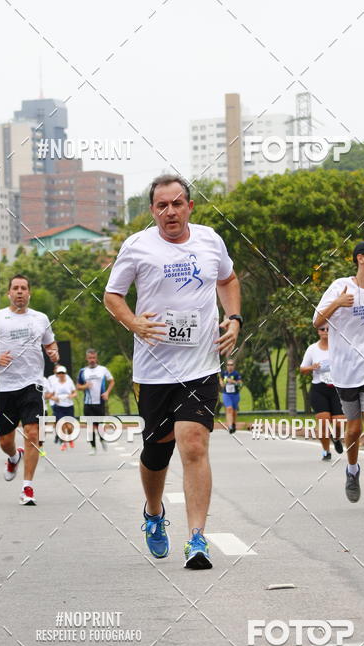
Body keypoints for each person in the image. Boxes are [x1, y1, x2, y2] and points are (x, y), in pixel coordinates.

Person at [104, 173, 241, 569]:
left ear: (190, 207)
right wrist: (134, 323)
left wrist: (234, 318)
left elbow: (228, 280)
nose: (170, 212)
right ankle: (152, 512)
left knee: (193, 443)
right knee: (157, 450)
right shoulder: (137, 246)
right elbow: (113, 295)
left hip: (200, 364)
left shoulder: (210, 240)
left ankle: (197, 538)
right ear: (152, 211)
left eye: (177, 203)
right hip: (153, 369)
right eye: (162, 206)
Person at [314, 241, 364, 508]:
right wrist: (337, 303)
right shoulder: (340, 286)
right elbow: (317, 321)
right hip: (346, 371)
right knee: (354, 429)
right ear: (361, 258)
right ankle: (352, 469)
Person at [0, 274, 59, 505]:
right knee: (5, 441)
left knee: (33, 433)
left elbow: (50, 343)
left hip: (32, 384)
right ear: (9, 293)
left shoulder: (41, 318)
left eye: (24, 288)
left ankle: (28, 488)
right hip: (4, 387)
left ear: (29, 293)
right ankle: (14, 457)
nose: (20, 292)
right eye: (15, 288)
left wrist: (53, 352)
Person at [300, 326, 345, 460]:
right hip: (319, 388)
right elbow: (302, 369)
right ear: (318, 332)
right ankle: (326, 451)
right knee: (324, 423)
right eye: (322, 329)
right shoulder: (312, 349)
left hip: (337, 388)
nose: (325, 331)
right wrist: (313, 367)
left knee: (339, 422)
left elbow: (348, 363)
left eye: (328, 329)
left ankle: (336, 438)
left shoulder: (338, 347)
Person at [76, 349, 114, 453]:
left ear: (96, 358)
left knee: (100, 425)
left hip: (100, 402)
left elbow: (111, 381)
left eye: (93, 358)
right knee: (90, 426)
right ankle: (93, 447)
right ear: (86, 359)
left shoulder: (103, 369)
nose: (92, 360)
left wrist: (107, 393)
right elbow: (78, 386)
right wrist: (85, 386)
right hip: (88, 403)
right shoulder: (83, 371)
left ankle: (102, 439)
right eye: (90, 358)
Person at [48, 365, 77, 450]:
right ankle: (64, 442)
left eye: (62, 373)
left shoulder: (69, 382)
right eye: (59, 373)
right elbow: (50, 395)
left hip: (69, 406)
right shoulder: (55, 383)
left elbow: (75, 393)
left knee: (69, 426)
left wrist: (71, 396)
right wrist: (54, 398)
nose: (61, 374)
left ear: (65, 373)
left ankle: (70, 438)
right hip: (59, 406)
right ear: (57, 374)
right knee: (62, 424)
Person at [218, 360, 243, 434]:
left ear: (234, 366)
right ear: (226, 366)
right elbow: (221, 383)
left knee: (234, 411)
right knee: (229, 409)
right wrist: (223, 382)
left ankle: (233, 424)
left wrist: (233, 381)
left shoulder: (236, 374)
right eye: (228, 365)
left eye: (231, 365)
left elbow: (240, 384)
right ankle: (230, 427)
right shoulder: (223, 374)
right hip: (226, 394)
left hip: (235, 395)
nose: (230, 366)